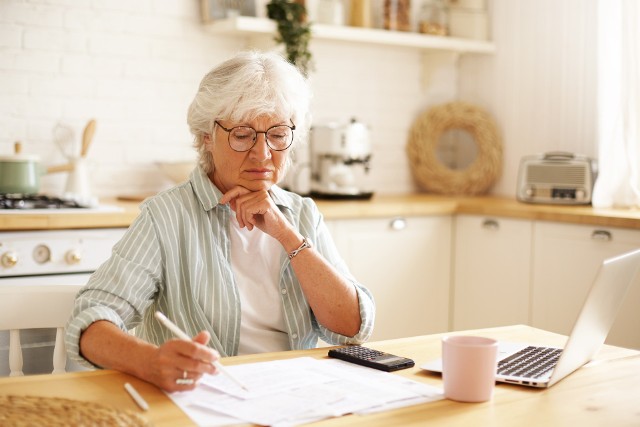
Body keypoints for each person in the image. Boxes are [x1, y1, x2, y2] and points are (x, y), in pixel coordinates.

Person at [65, 51, 375, 392]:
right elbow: (90, 321)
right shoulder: (167, 216)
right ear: (205, 137)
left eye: (277, 133)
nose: (262, 154)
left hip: (292, 397)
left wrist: (287, 236)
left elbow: (352, 326)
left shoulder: (302, 214)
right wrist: (150, 362)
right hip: (205, 401)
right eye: (242, 135)